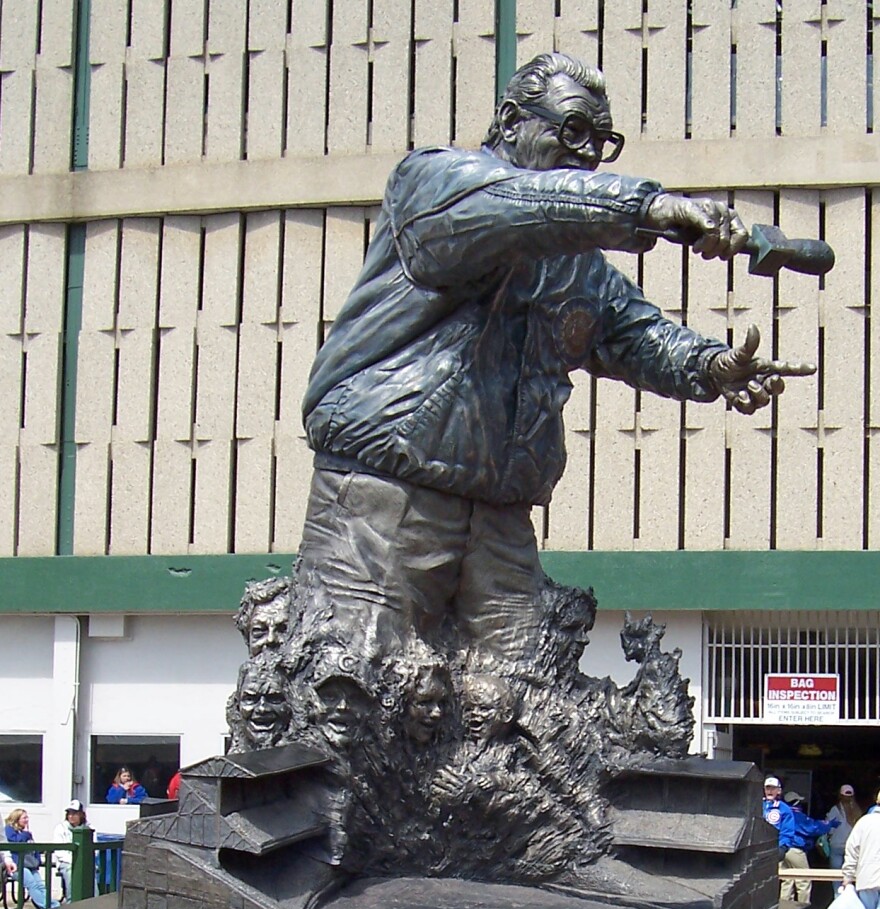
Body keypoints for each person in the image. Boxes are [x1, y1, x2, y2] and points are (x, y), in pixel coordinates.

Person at [296, 50, 813, 667]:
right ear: (512, 121)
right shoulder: (435, 184)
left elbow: (634, 333)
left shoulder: (577, 268)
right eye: (573, 131)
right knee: (353, 687)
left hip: (500, 515)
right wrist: (648, 208)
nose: (590, 153)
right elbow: (527, 205)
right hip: (381, 497)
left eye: (603, 141)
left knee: (529, 704)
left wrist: (709, 365)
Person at [841, 792, 880, 909]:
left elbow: (852, 849)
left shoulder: (864, 822)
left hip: (867, 877)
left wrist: (848, 876)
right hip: (871, 875)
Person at [781, 789, 837, 905]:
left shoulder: (781, 814)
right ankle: (803, 908)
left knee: (787, 880)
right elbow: (811, 828)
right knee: (804, 880)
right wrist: (828, 825)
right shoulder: (797, 816)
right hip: (795, 850)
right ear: (796, 802)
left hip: (782, 849)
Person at [2, 807, 57, 909]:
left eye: (27, 817)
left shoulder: (25, 832)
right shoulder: (9, 830)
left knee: (41, 886)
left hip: (30, 865)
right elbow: (15, 843)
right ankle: (49, 908)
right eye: (24, 818)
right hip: (16, 866)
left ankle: (53, 905)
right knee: (32, 884)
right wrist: (26, 834)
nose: (27, 820)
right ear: (16, 819)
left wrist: (37, 861)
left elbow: (33, 848)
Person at [52, 801, 88, 902]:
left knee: (90, 873)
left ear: (81, 814)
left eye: (74, 813)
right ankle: (71, 904)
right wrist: (75, 861)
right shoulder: (60, 828)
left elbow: (94, 850)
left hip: (85, 862)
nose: (71, 816)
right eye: (69, 813)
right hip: (66, 863)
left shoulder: (89, 828)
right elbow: (59, 851)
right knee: (70, 872)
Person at [825, 783, 862, 870]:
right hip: (852, 844)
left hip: (837, 843)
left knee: (835, 871)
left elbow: (829, 827)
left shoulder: (834, 809)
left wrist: (829, 837)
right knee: (850, 871)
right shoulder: (857, 810)